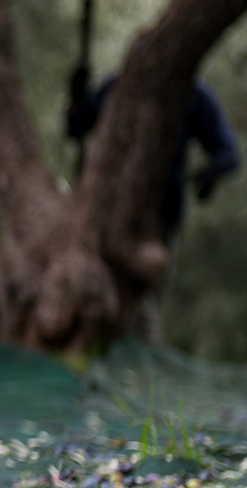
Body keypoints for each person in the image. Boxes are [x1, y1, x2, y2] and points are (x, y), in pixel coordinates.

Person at [68, 76, 240, 341]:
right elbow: (77, 127)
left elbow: (229, 153)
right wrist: (76, 101)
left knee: (145, 293)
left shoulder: (194, 94)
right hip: (111, 211)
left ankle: (142, 364)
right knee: (116, 292)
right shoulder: (123, 84)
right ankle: (135, 360)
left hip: (162, 215)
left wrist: (209, 174)